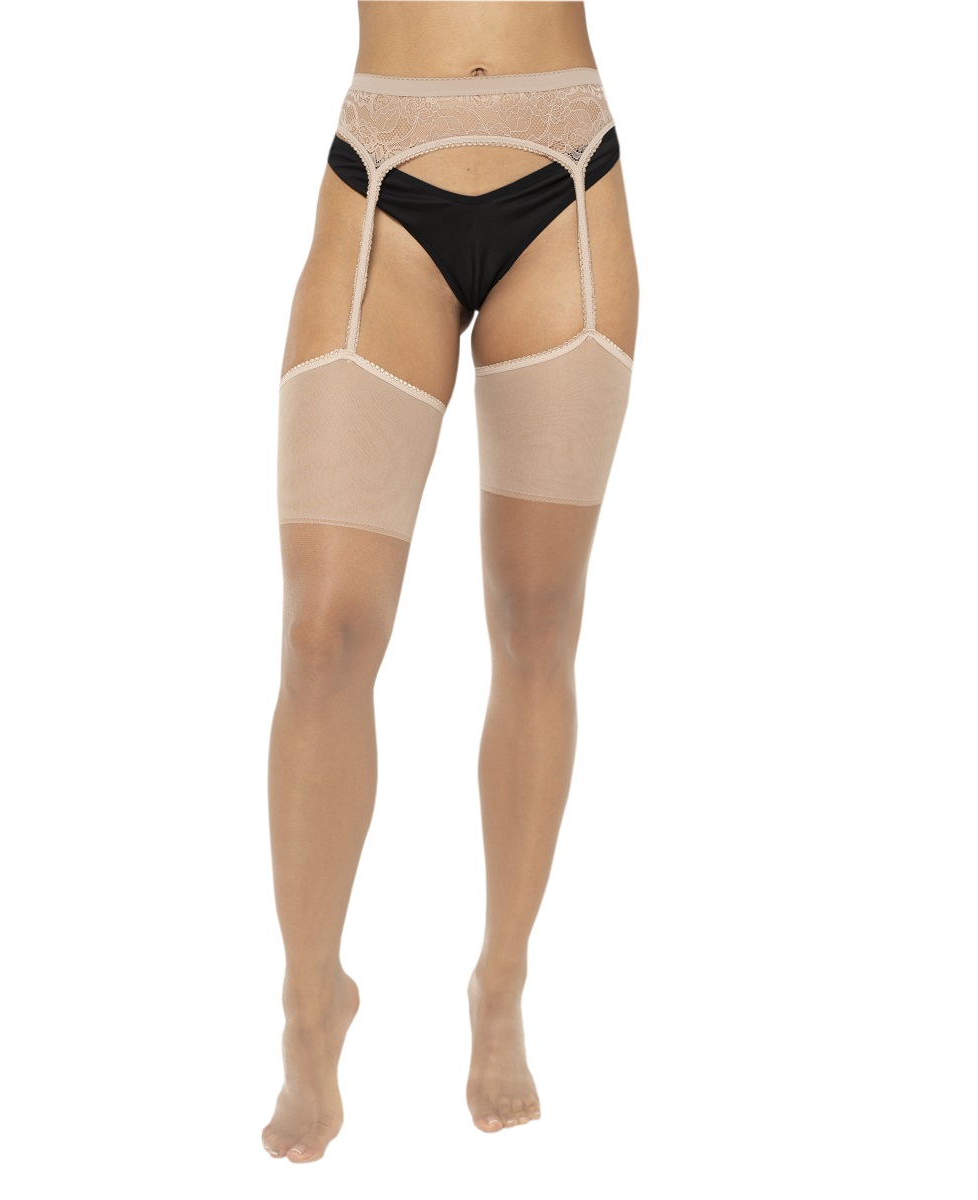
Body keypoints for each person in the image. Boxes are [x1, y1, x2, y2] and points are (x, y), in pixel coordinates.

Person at [264, 1, 639, 1162]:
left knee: (537, 622)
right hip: (384, 175)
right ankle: (311, 999)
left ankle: (502, 980)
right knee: (322, 632)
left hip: (565, 176)